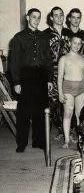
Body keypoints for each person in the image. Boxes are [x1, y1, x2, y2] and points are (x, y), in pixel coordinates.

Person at [11, 8, 53, 152]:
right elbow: (14, 61)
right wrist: (16, 82)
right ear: (28, 17)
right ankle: (21, 143)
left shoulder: (44, 37)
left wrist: (49, 79)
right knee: (23, 112)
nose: (36, 20)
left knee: (41, 110)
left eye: (38, 17)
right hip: (26, 76)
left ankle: (39, 141)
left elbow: (48, 60)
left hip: (41, 75)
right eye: (34, 17)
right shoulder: (19, 37)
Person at [43, 6, 71, 141]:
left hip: (67, 72)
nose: (59, 18)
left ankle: (66, 130)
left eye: (61, 15)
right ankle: (52, 131)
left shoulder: (69, 32)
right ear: (51, 18)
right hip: (52, 71)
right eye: (56, 15)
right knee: (52, 102)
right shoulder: (45, 34)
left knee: (66, 100)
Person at [58, 35, 84, 149]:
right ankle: (66, 140)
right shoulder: (64, 58)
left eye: (79, 43)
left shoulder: (82, 57)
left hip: (81, 88)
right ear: (70, 43)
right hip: (68, 87)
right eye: (74, 43)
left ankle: (80, 139)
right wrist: (60, 92)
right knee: (68, 113)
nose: (77, 45)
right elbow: (60, 77)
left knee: (80, 115)